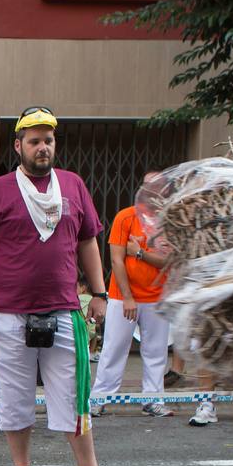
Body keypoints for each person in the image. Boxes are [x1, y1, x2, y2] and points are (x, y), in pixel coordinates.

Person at [0, 108, 141, 466]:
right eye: (34, 141)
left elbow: (87, 241)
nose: (43, 147)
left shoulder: (73, 186)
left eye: (48, 140)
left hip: (63, 309)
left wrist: (98, 293)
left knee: (74, 392)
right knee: (14, 394)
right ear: (18, 146)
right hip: (7, 311)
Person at [91, 176, 176, 419]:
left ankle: (153, 400)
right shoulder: (126, 217)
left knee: (156, 351)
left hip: (156, 297)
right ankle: (100, 398)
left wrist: (139, 253)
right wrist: (128, 297)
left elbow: (168, 260)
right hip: (122, 297)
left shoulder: (167, 222)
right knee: (114, 349)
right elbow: (116, 259)